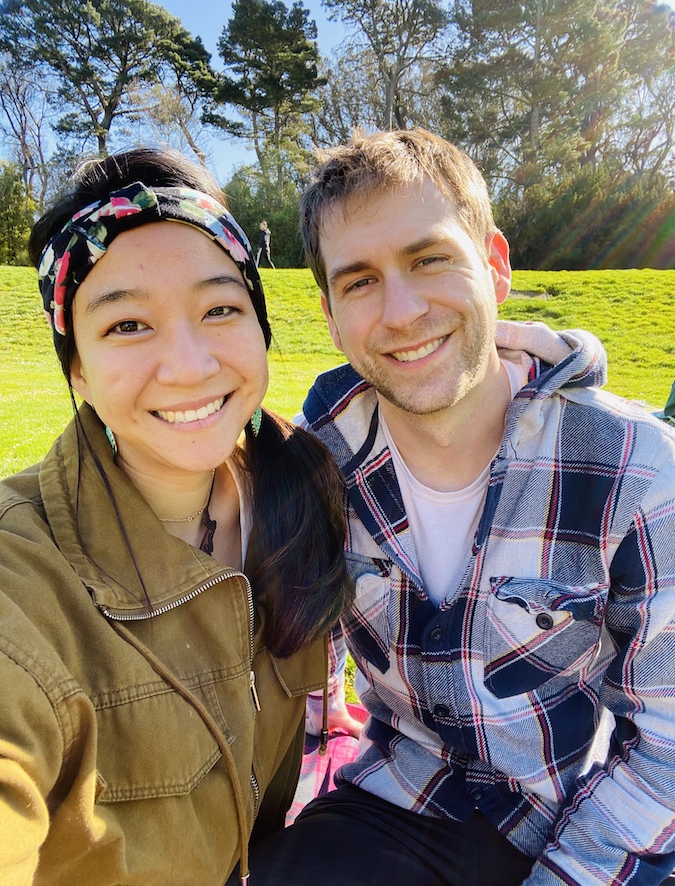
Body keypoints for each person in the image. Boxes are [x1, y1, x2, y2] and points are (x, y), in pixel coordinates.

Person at [242, 129, 675, 885]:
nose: (402, 311)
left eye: (428, 258)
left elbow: (669, 748)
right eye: (359, 280)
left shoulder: (637, 470)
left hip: (587, 818)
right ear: (329, 313)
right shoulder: (316, 468)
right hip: (403, 797)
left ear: (495, 264)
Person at [0, 147, 353, 886]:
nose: (189, 364)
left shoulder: (306, 480)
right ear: (76, 368)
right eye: (128, 325)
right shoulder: (22, 578)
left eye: (220, 308)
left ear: (260, 327)